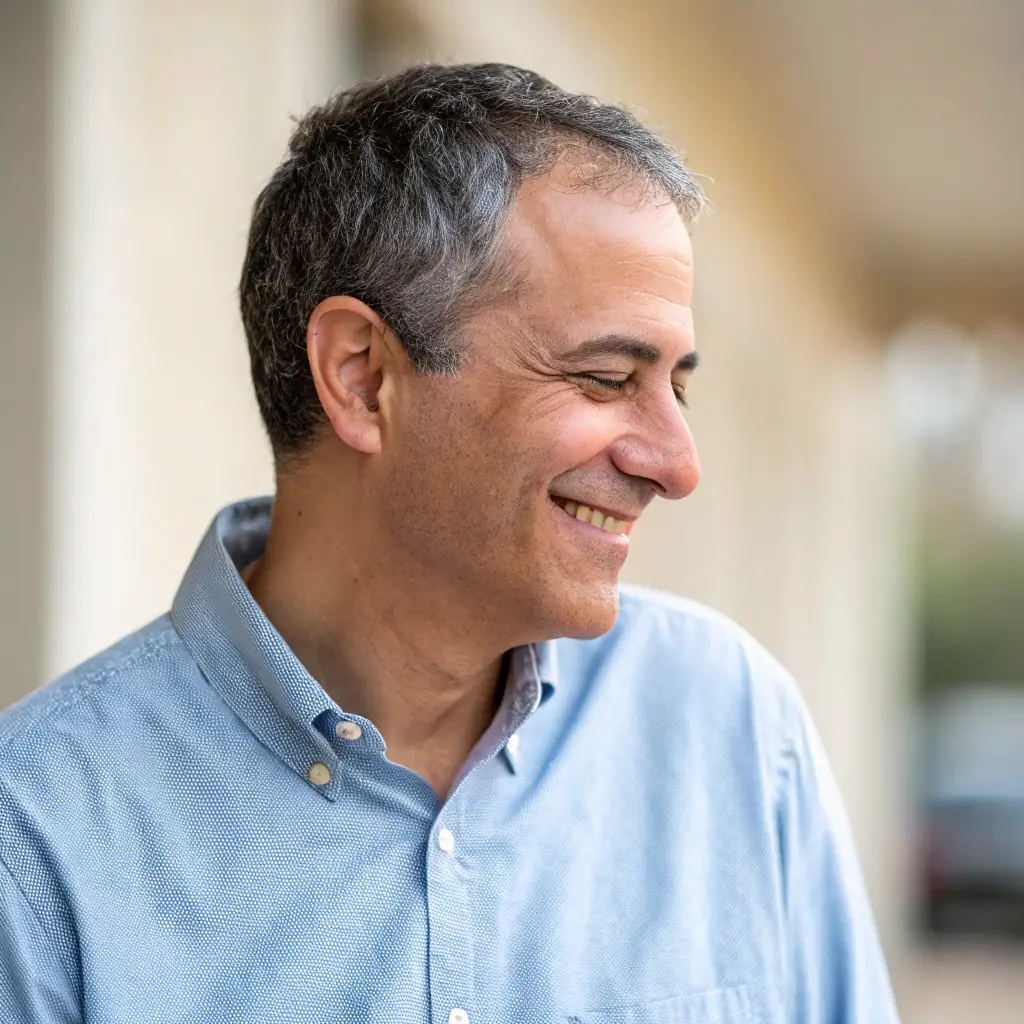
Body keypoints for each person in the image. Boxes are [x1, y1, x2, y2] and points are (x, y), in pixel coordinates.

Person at [0, 63, 899, 1023]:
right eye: (603, 378)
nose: (678, 465)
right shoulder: (38, 841)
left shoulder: (732, 729)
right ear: (361, 377)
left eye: (676, 384)